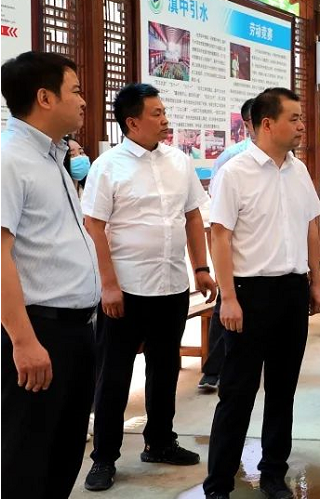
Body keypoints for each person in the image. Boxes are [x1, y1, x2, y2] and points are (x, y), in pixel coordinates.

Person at [81, 83, 216, 492]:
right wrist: (108, 285)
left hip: (171, 285)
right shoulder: (108, 166)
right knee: (114, 374)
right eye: (156, 113)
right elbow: (94, 226)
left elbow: (193, 216)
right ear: (132, 122)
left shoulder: (179, 161)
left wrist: (201, 267)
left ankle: (159, 441)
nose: (165, 120)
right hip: (125, 290)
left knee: (166, 367)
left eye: (164, 111)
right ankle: (104, 457)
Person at [203, 88, 320, 499]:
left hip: (292, 290)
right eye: (295, 118)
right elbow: (220, 236)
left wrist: (314, 281)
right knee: (237, 392)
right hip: (248, 294)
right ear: (267, 123)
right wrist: (228, 297)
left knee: (282, 389)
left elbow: (311, 227)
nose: (302, 125)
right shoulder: (235, 173)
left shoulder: (298, 170)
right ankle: (219, 484)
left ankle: (273, 473)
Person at [1, 51, 100, 499]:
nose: (83, 101)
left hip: (75, 332)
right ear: (45, 98)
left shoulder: (52, 157)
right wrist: (23, 341)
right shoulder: (10, 160)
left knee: (62, 457)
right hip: (39, 333)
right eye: (75, 91)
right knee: (27, 460)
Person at [198, 97, 256, 393]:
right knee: (227, 302)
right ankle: (213, 371)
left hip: (262, 250)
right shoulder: (231, 158)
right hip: (233, 245)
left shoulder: (285, 157)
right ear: (248, 124)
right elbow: (217, 205)